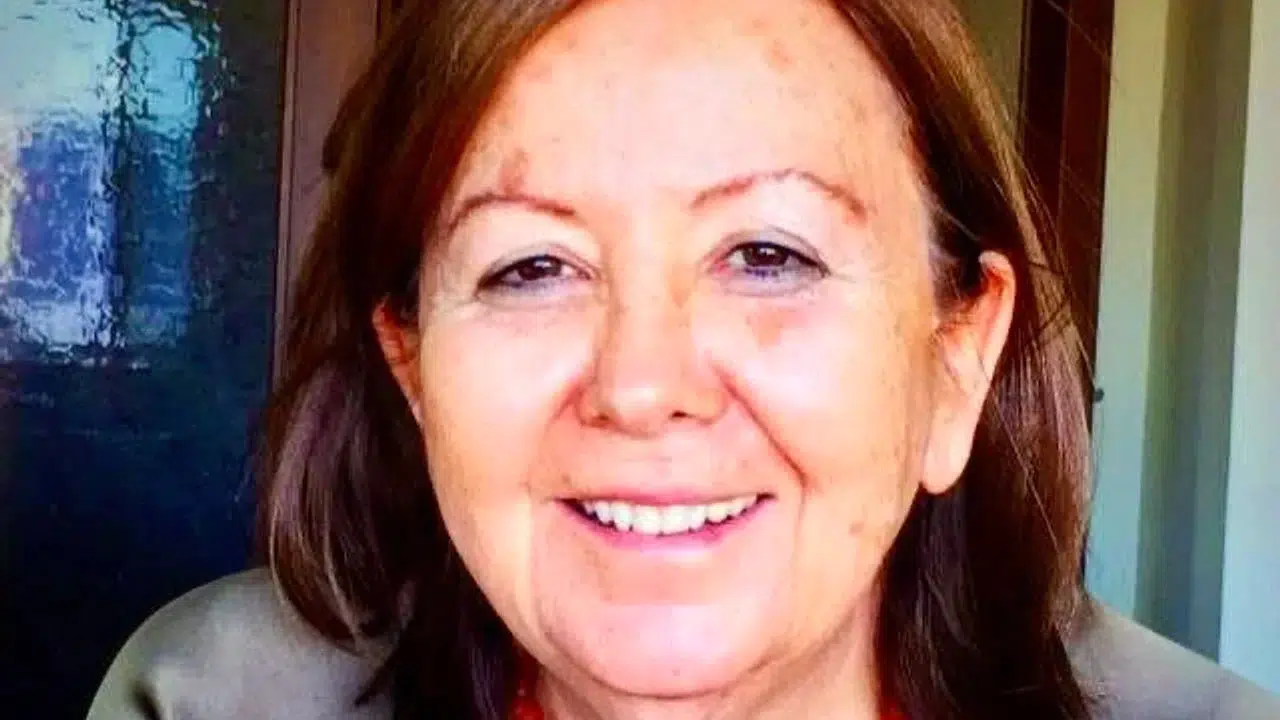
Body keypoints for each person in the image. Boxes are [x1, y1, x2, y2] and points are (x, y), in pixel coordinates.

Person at [88, 0, 1280, 718]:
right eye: (530, 268)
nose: (640, 386)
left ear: (955, 358)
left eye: (766, 254)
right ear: (411, 367)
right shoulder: (210, 700)